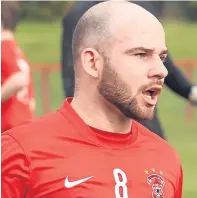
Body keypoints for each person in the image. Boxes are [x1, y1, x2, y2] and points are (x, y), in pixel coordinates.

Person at [2, 1, 183, 197]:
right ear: (92, 62)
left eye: (162, 57)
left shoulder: (165, 158)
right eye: (141, 54)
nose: (161, 70)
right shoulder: (20, 152)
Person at [61, 0, 197, 139]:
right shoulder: (80, 15)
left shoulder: (140, 6)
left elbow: (159, 60)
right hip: (93, 130)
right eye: (140, 54)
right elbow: (72, 73)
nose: (161, 71)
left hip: (145, 128)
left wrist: (189, 91)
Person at [1, 1, 35, 132]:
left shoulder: (3, 47)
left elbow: (20, 79)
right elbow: (31, 102)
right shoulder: (16, 51)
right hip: (23, 124)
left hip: (9, 127)